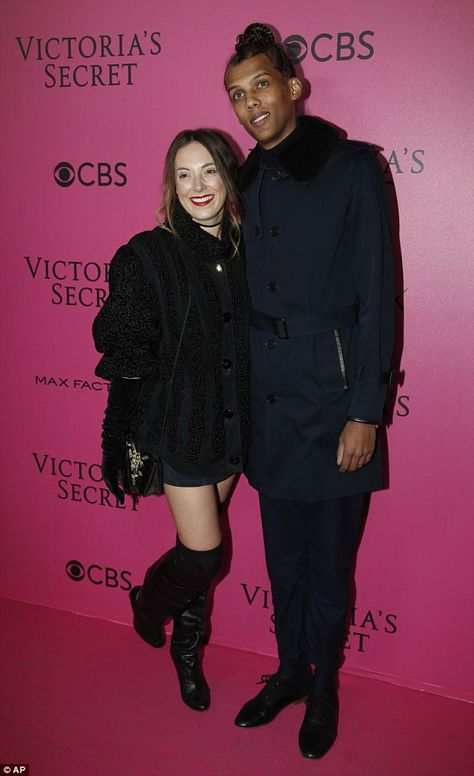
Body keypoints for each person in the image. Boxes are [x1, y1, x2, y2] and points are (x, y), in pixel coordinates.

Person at [224, 23, 394, 758]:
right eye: (236, 94)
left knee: (328, 567)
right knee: (282, 562)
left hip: (331, 405)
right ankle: (290, 671)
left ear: (294, 86)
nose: (249, 103)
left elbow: (379, 296)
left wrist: (365, 410)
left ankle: (323, 687)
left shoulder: (353, 166)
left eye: (261, 84)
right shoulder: (245, 176)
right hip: (267, 405)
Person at [92, 129, 250, 712]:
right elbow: (128, 359)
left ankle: (185, 653)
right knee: (205, 555)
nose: (197, 186)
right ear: (170, 185)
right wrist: (117, 439)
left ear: (227, 178)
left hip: (234, 424)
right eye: (184, 174)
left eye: (209, 171)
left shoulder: (243, 250)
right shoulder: (147, 255)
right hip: (181, 427)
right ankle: (149, 608)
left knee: (195, 554)